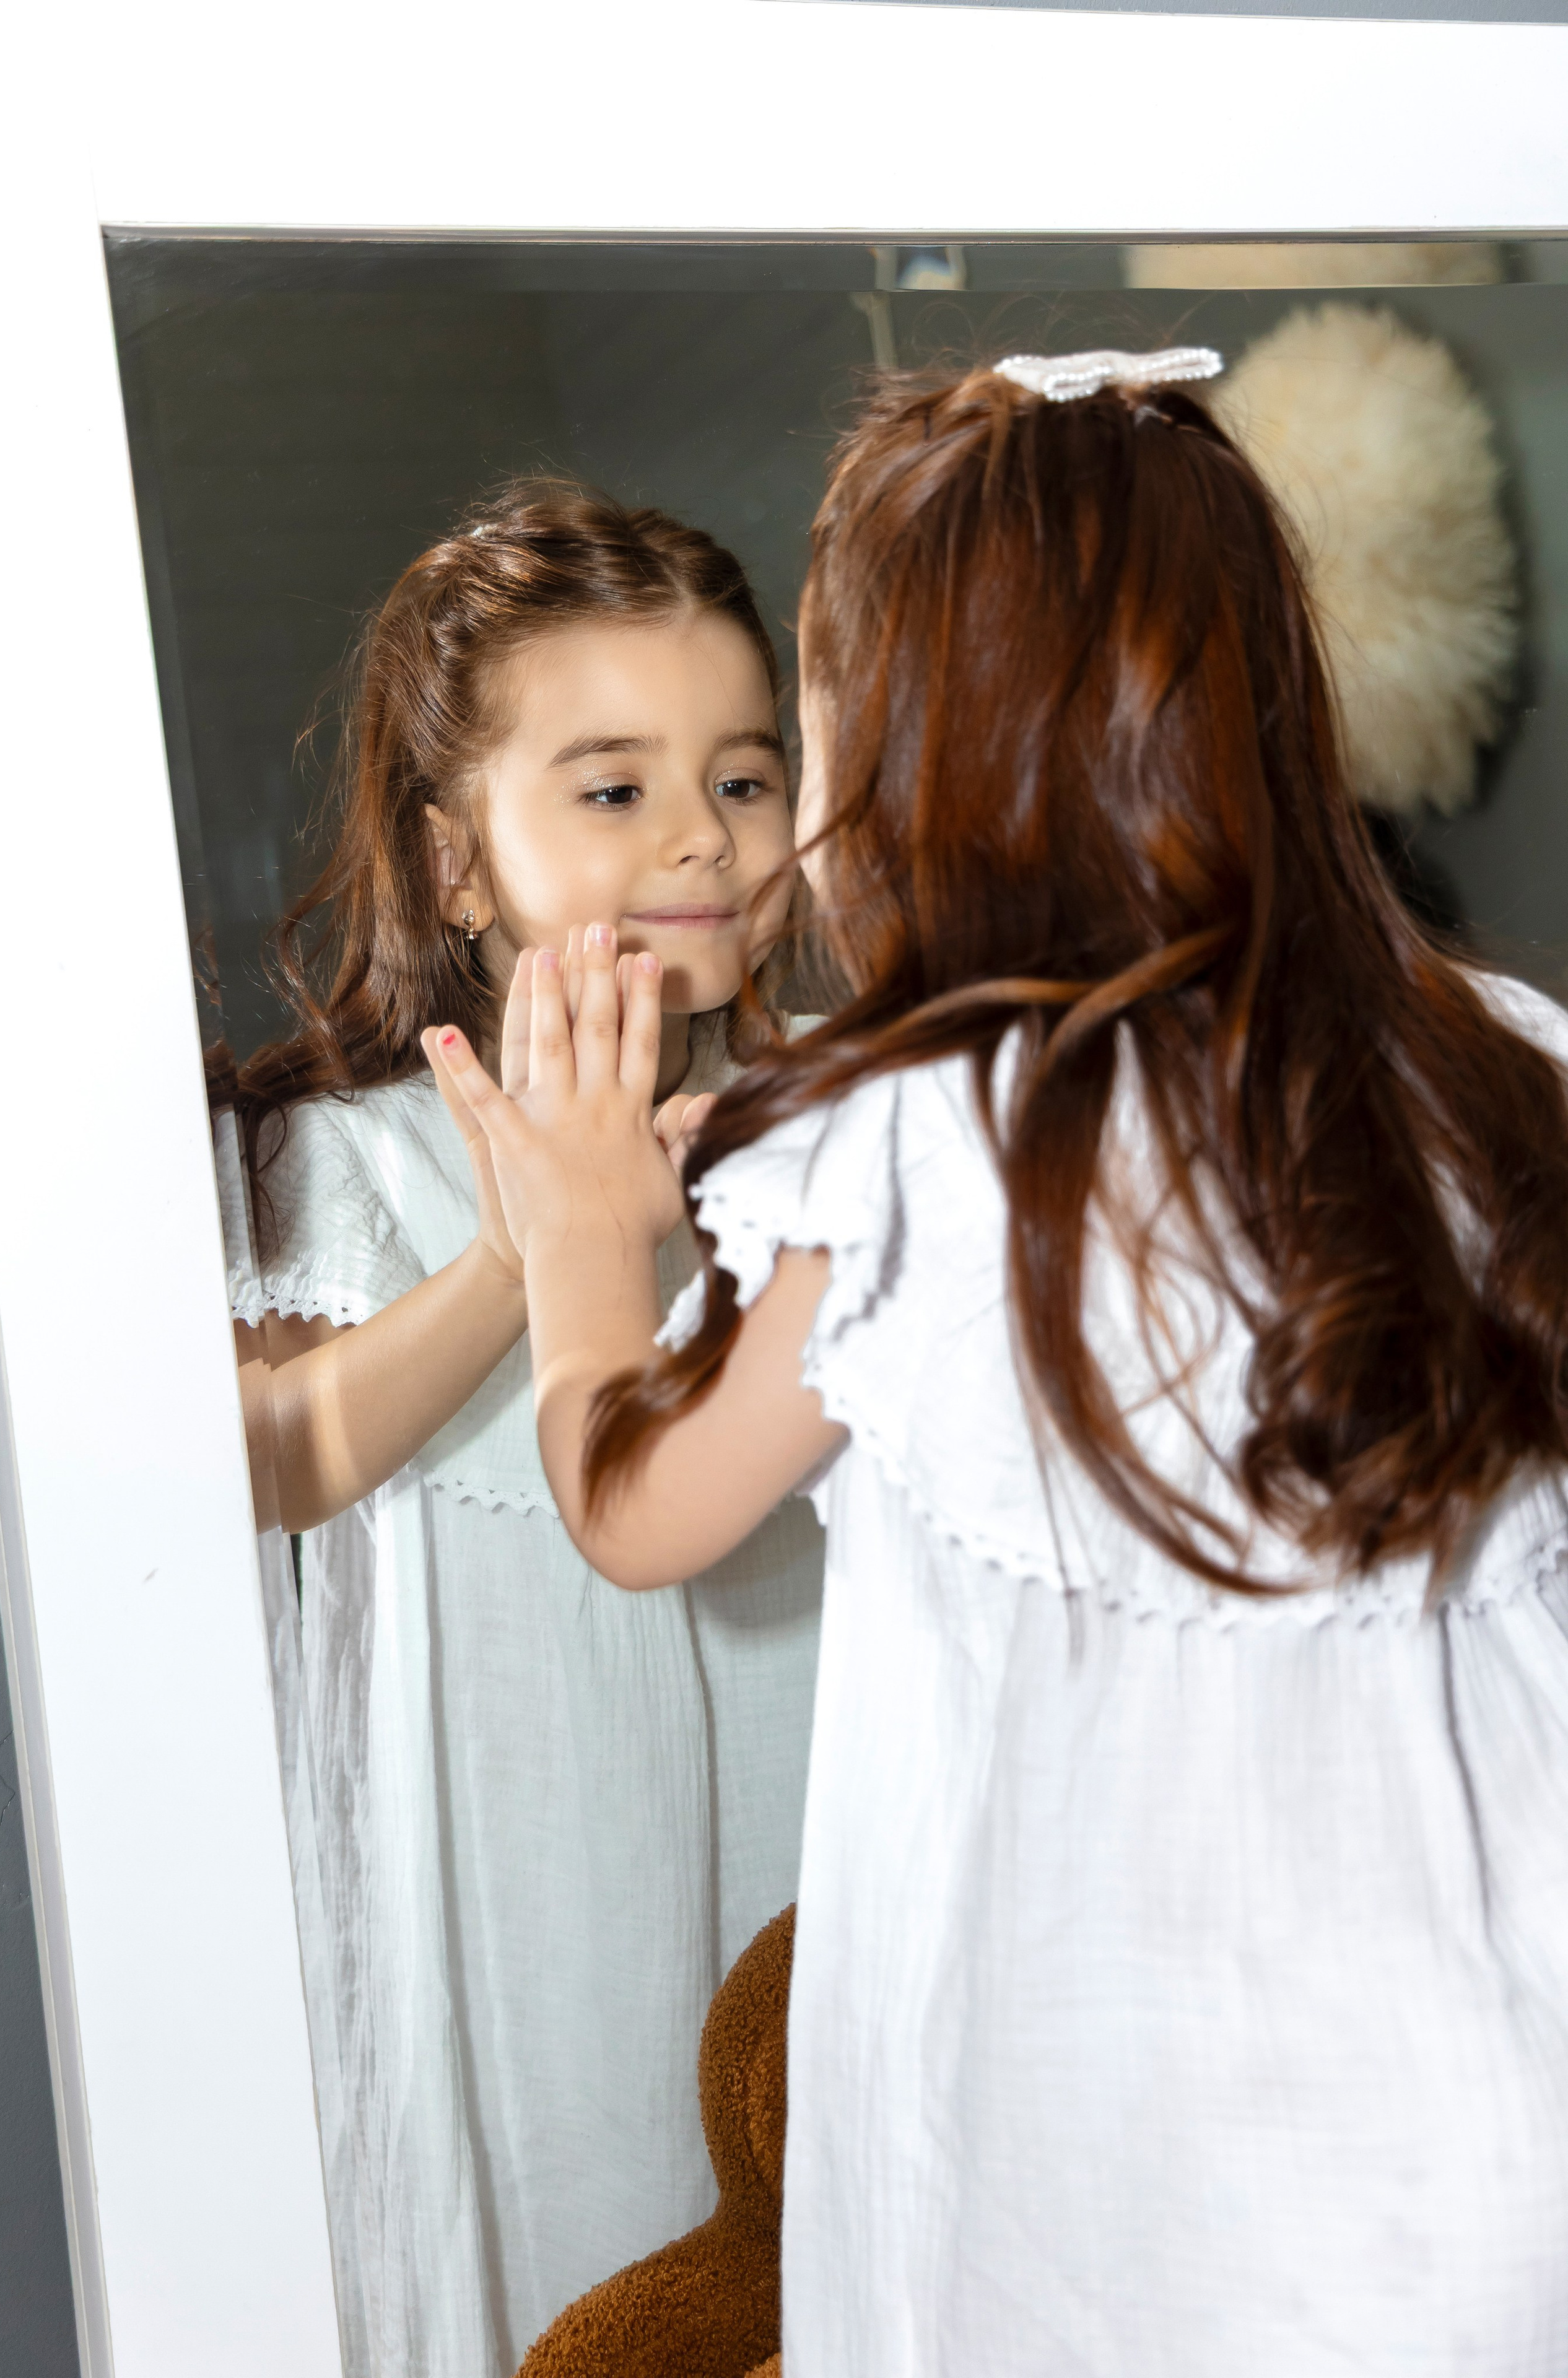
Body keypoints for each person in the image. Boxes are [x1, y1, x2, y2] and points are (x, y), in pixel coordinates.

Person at [428, 356, 1568, 2375]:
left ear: (911, 748)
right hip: (1479, 2165)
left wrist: (594, 1242)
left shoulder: (925, 1141)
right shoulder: (1503, 1067)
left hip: (1101, 2204)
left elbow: (638, 1505)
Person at [223, 481, 824, 2376]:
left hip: (799, 1849)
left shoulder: (840, 1141)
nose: (700, 844)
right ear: (457, 862)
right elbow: (275, 1460)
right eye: (612, 786)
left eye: (745, 779)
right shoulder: (361, 1162)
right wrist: (528, 1245)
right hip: (520, 1902)